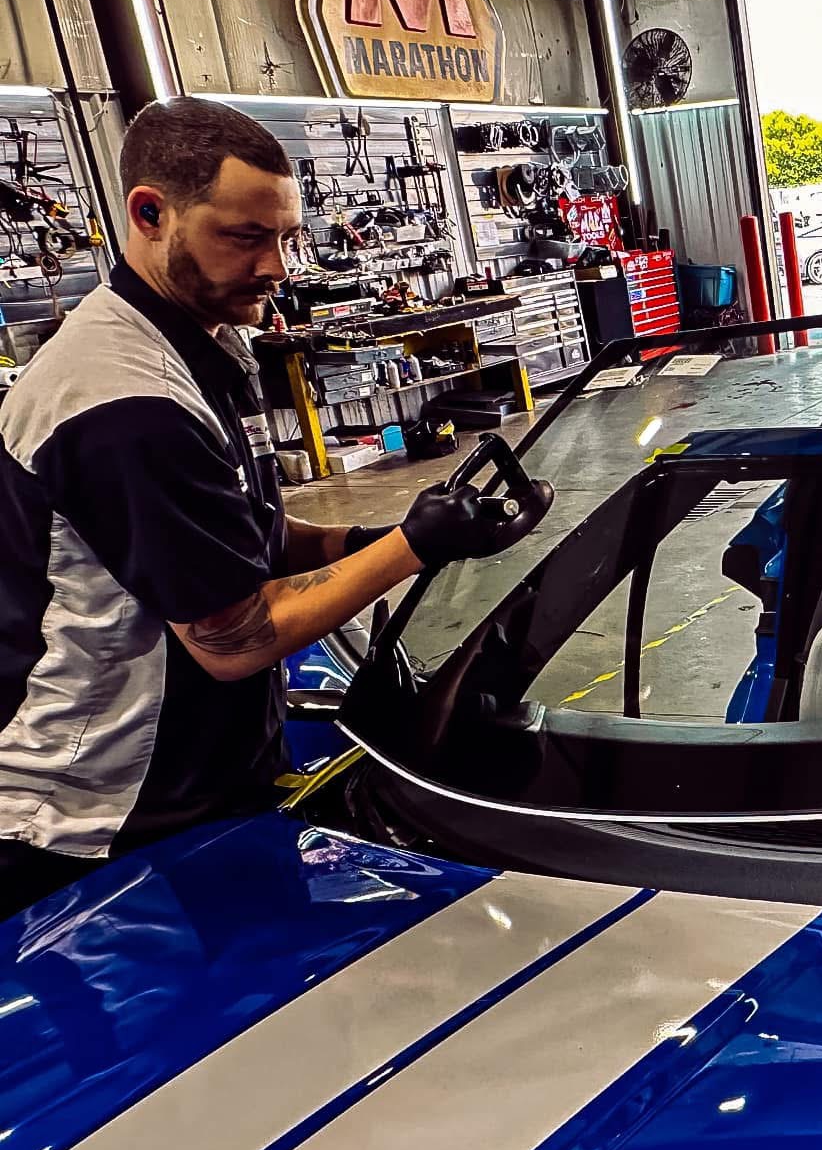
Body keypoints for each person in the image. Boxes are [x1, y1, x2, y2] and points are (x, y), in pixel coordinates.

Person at [0, 98, 543, 920]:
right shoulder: (124, 403)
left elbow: (248, 536)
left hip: (199, 784)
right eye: (247, 237)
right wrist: (411, 547)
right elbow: (234, 639)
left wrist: (375, 537)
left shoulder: (203, 343)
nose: (278, 266)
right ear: (149, 215)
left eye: (286, 237)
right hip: (104, 823)